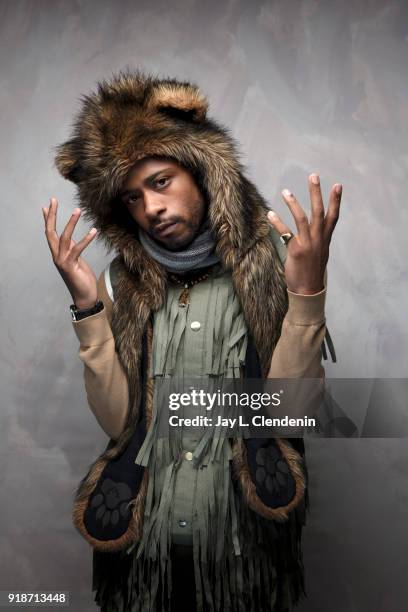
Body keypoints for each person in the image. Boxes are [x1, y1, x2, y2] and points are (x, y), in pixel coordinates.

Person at [43, 69, 341, 612]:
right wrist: (88, 305)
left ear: (203, 171)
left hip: (239, 556)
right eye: (131, 198)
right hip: (142, 557)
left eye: (160, 182)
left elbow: (291, 415)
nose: (150, 208)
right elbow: (118, 423)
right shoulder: (123, 284)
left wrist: (306, 292)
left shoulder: (276, 261)